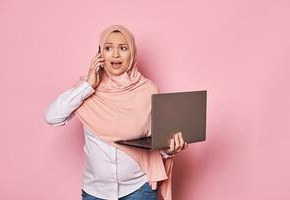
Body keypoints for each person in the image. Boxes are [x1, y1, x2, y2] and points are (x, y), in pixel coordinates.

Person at [45, 25, 188, 200]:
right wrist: (88, 85)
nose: (115, 55)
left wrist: (170, 149)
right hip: (95, 192)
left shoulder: (147, 90)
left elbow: (153, 143)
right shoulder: (86, 88)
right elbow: (53, 117)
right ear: (100, 54)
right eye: (108, 48)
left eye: (123, 48)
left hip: (139, 190)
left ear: (132, 53)